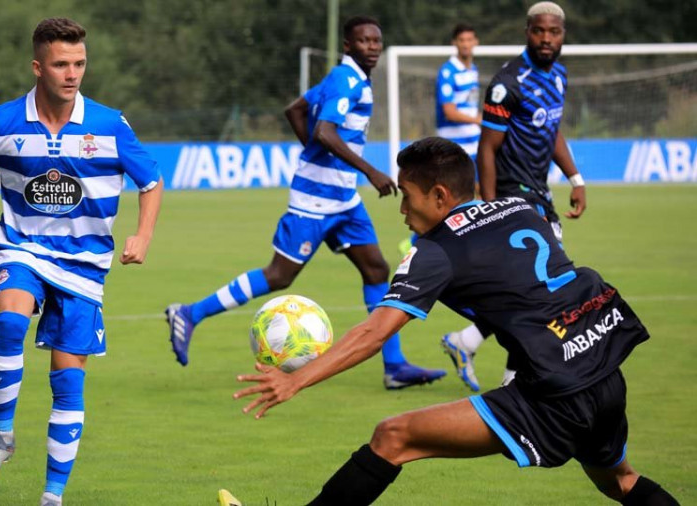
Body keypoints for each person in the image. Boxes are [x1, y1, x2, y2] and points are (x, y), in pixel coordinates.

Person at [234, 137, 679, 506]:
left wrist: (296, 380)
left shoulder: (435, 251)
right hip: (604, 371)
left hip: (556, 392)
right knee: (621, 481)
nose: (403, 211)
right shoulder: (519, 209)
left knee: (393, 436)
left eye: (407, 197)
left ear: (440, 196)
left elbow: (374, 331)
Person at [0, 18, 163, 506]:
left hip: (85, 267)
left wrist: (142, 235)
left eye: (79, 63)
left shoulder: (109, 125)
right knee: (10, 319)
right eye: (61, 64)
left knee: (67, 382)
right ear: (38, 67)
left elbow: (150, 181)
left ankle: (51, 497)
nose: (72, 73)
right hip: (22, 248)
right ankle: (2, 437)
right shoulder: (1, 120)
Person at [165, 16, 445, 389]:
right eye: (364, 41)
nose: (372, 47)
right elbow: (323, 131)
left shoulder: (350, 78)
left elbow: (295, 109)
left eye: (377, 41)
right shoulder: (346, 80)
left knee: (377, 270)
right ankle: (189, 313)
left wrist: (319, 155)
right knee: (279, 275)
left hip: (343, 199)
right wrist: (370, 171)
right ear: (348, 46)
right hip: (314, 200)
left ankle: (394, 366)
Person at [440, 2, 587, 393]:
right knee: (548, 280)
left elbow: (553, 130)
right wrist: (491, 209)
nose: (546, 39)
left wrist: (575, 177)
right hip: (511, 192)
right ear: (527, 31)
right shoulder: (508, 82)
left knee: (529, 285)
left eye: (553, 32)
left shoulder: (558, 75)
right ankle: (514, 381)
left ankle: (466, 342)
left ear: (562, 35)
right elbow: (487, 149)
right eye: (539, 31)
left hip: (540, 190)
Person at [436, 23, 481, 158]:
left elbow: (471, 105)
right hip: (453, 143)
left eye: (469, 40)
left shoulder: (473, 70)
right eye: (462, 40)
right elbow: (449, 112)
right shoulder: (447, 72)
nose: (466, 45)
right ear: (454, 43)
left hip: (474, 140)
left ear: (475, 42)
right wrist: (478, 121)